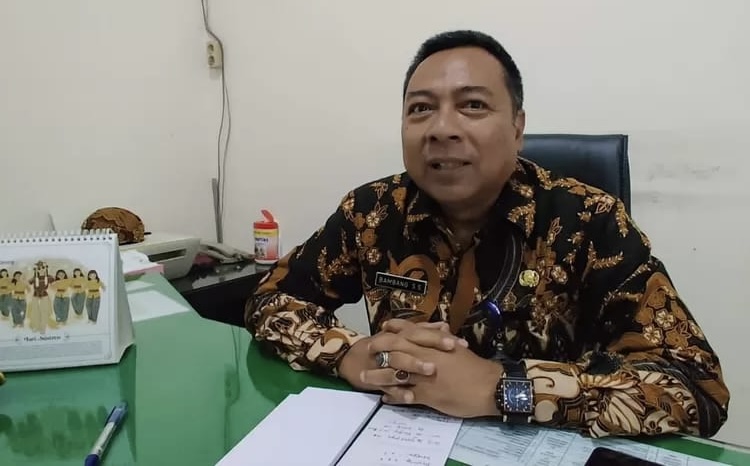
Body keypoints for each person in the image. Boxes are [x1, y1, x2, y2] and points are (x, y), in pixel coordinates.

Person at [244, 30, 729, 439]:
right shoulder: (371, 212)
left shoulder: (590, 221)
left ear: (517, 127)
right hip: (401, 439)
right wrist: (347, 353)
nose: (441, 129)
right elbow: (270, 300)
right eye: (420, 109)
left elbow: (696, 388)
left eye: (473, 105)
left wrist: (502, 386)